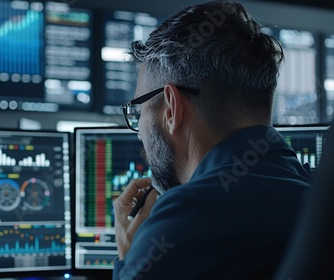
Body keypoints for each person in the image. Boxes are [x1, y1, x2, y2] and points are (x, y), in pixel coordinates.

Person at [112, 1, 313, 279]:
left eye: (140, 111)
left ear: (171, 108)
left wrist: (129, 256)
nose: (141, 131)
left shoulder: (186, 215)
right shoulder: (315, 197)